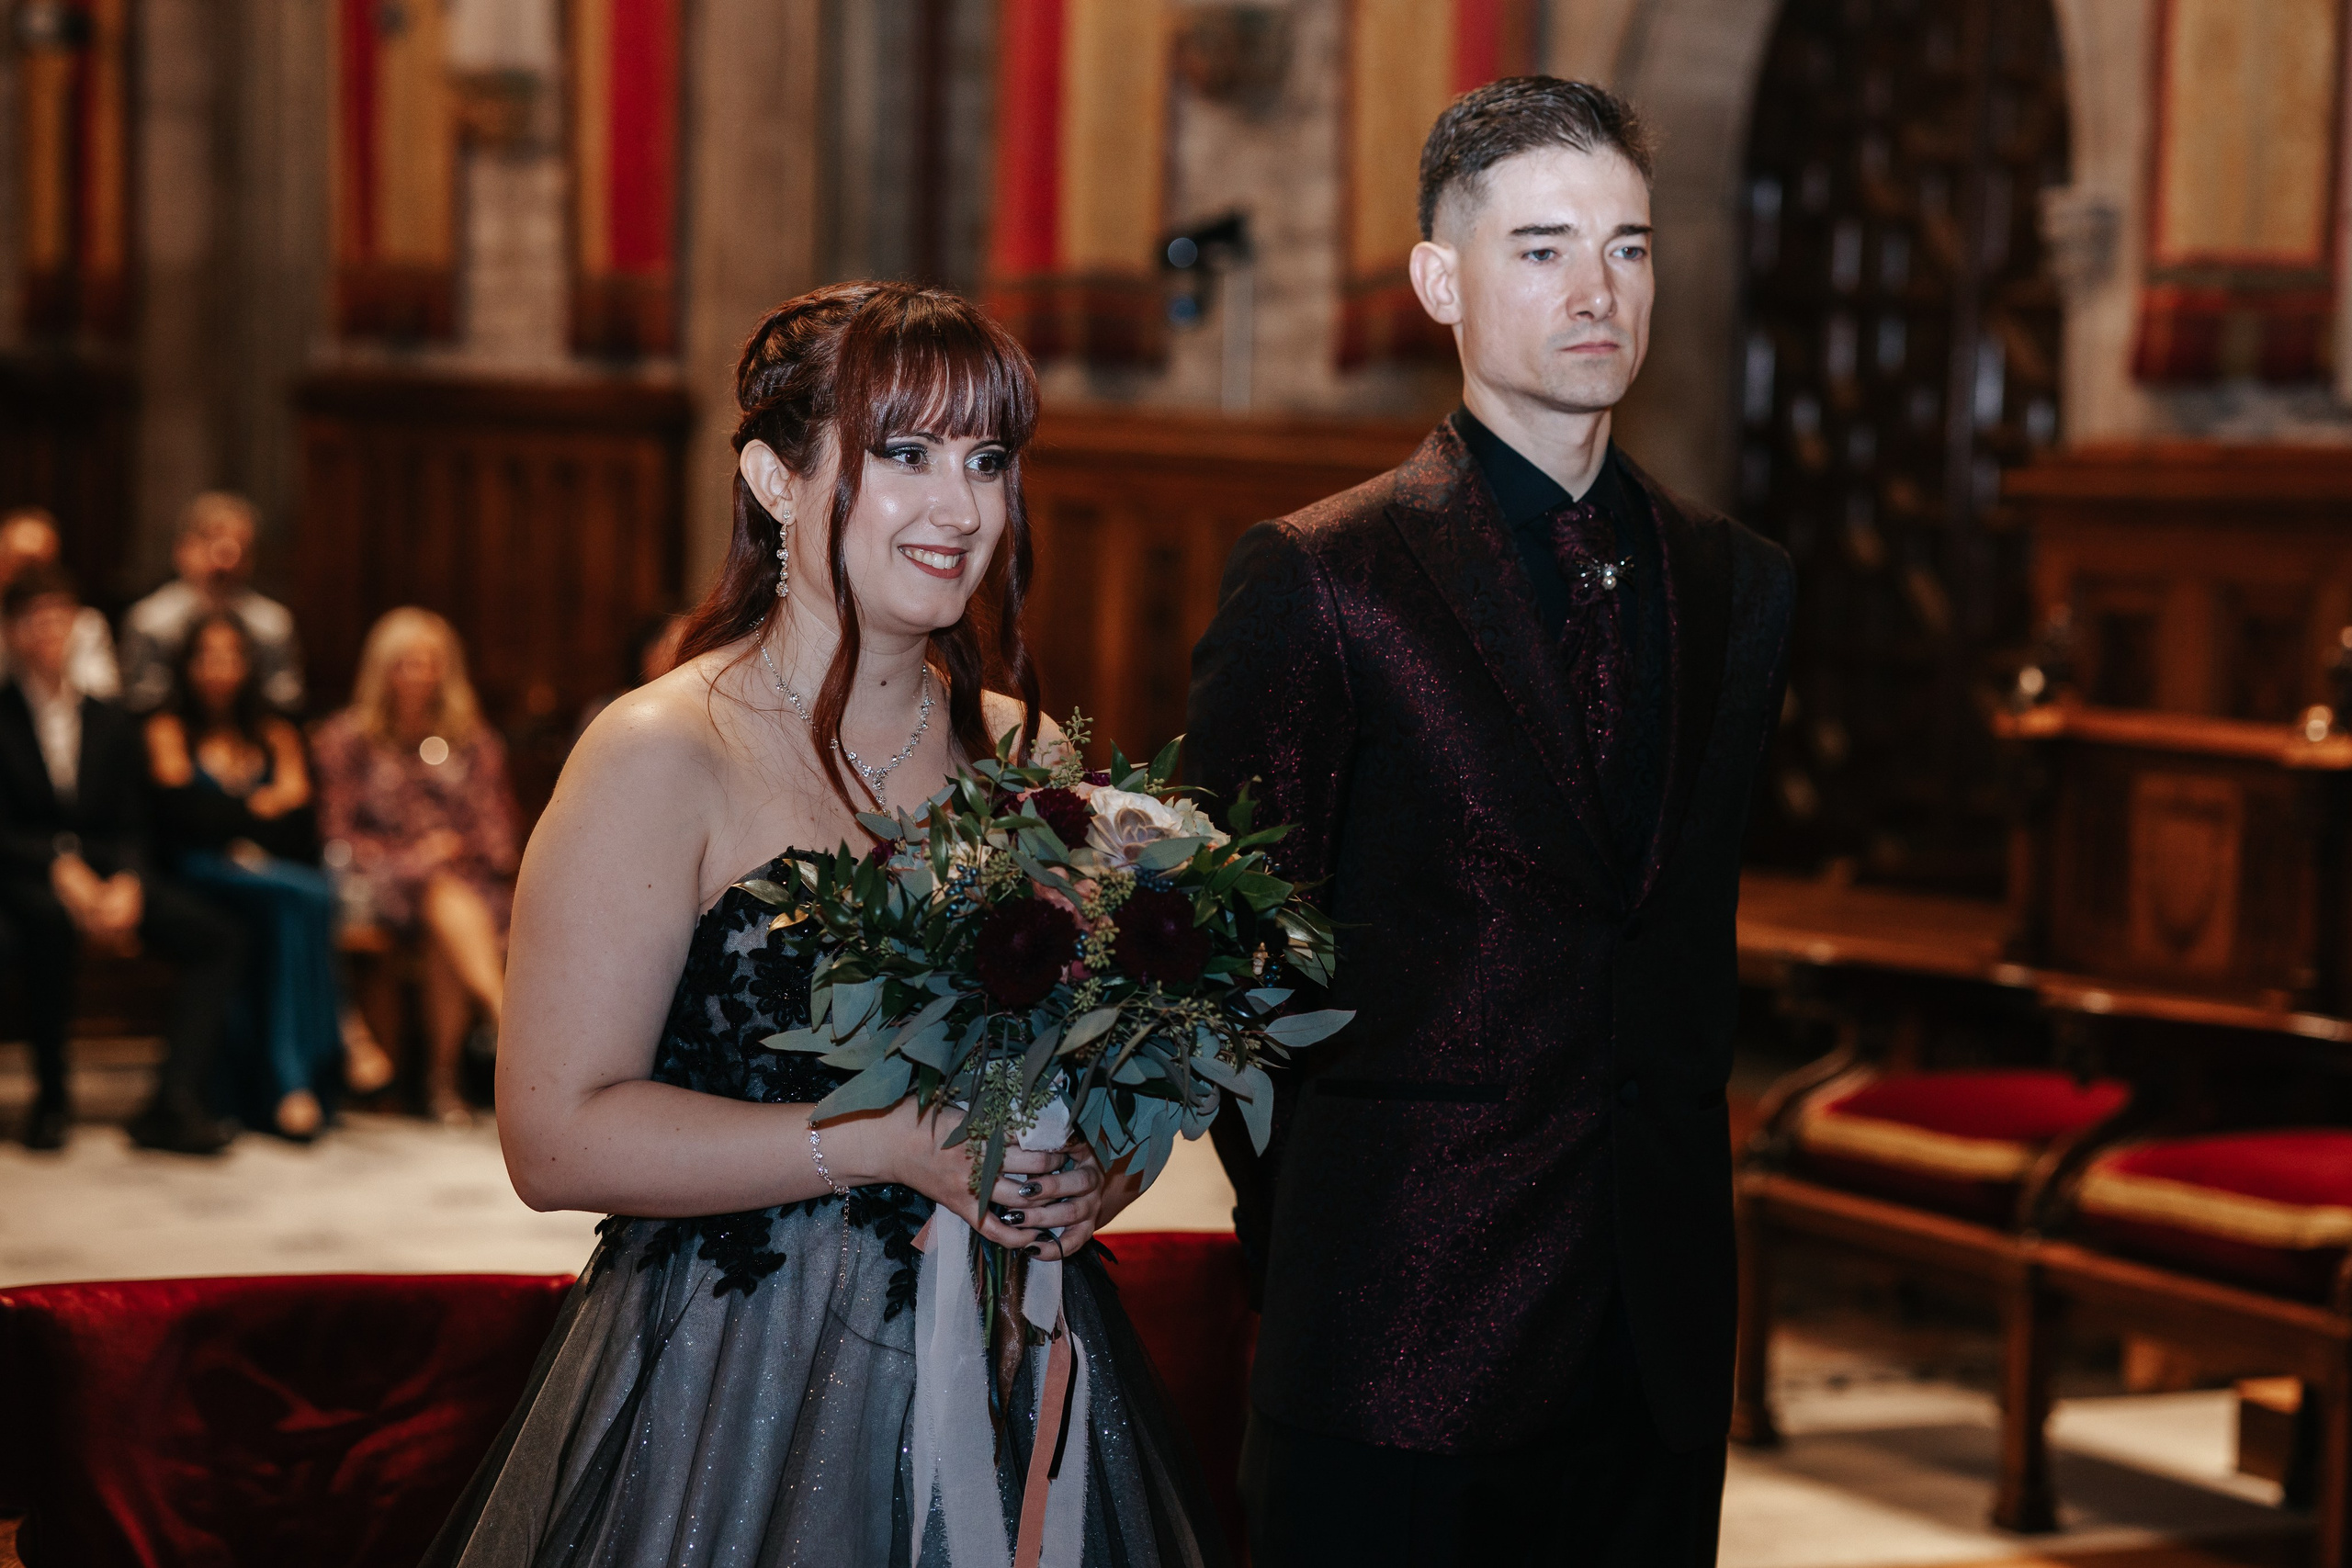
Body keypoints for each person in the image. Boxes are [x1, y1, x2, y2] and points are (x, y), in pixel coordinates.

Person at [424, 283, 1225, 1567]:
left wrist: (1094, 1174)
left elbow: (1085, 1069)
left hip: (1009, 1351)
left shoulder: (1027, 755)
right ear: (774, 480)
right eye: (904, 454)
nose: (959, 508)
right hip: (741, 1366)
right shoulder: (660, 753)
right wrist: (886, 1143)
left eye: (987, 460)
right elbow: (555, 1138)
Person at [1186, 79, 1795, 1567]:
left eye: (1628, 247)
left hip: (1654, 1341)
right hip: (1397, 1326)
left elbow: (1674, 951)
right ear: (1440, 280)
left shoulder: (1739, 585)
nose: (1598, 290)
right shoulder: (1324, 580)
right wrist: (1327, 1240)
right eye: (1542, 248)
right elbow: (1219, 967)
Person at [0, 565, 246, 1154]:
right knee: (46, 924)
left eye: (60, 617)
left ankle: (173, 1102)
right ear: (10, 631)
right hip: (25, 874)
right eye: (34, 620)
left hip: (109, 871)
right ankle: (52, 1100)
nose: (49, 631)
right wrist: (58, 866)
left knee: (219, 938)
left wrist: (130, 880)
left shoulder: (108, 718)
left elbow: (134, 820)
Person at [311, 609, 518, 1125]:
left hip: (462, 887)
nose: (418, 675)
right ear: (382, 669)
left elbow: (499, 833)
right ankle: (505, 1025)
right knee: (437, 894)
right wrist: (413, 857)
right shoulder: (347, 738)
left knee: (444, 918)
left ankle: (442, 1083)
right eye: (405, 663)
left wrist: (451, 848)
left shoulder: (474, 740)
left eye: (430, 663)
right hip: (377, 884)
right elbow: (337, 835)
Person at [146, 612, 345, 1141]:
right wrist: (254, 813)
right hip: (195, 874)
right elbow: (180, 818)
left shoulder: (275, 731)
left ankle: (288, 1080)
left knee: (293, 906)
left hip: (264, 878)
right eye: (207, 656)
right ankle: (309, 1066)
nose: (219, 669)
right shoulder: (168, 728)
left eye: (231, 656)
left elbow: (299, 826)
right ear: (187, 664)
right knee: (307, 894)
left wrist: (231, 821)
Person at [119, 491, 305, 716]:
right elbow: (143, 704)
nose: (228, 556)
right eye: (213, 541)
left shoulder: (272, 625)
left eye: (240, 545)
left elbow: (284, 703)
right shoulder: (151, 622)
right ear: (183, 549)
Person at [0, 507, 119, 698]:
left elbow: (103, 699)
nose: (31, 575)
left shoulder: (84, 623)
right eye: (22, 563)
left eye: (40, 564)